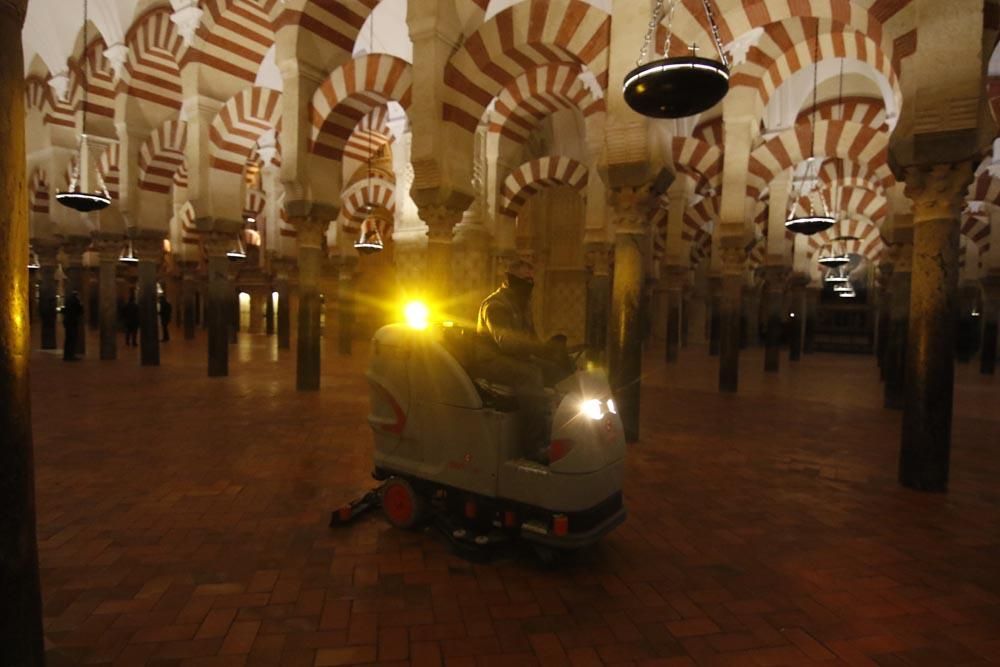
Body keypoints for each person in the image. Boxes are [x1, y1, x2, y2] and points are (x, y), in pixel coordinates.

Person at [473, 259, 572, 460]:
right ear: (511, 279)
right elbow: (507, 344)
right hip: (491, 361)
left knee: (559, 371)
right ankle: (535, 446)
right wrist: (542, 350)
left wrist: (554, 354)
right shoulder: (495, 305)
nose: (530, 284)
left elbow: (531, 339)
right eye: (525, 279)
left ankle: (560, 429)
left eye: (531, 280)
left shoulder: (522, 304)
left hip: (515, 358)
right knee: (530, 374)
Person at [62, 290, 84, 361]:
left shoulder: (68, 301)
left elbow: (64, 310)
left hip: (68, 322)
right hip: (72, 322)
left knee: (68, 339)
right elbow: (80, 311)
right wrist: (81, 304)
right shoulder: (75, 301)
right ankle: (71, 356)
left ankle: (67, 355)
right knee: (72, 339)